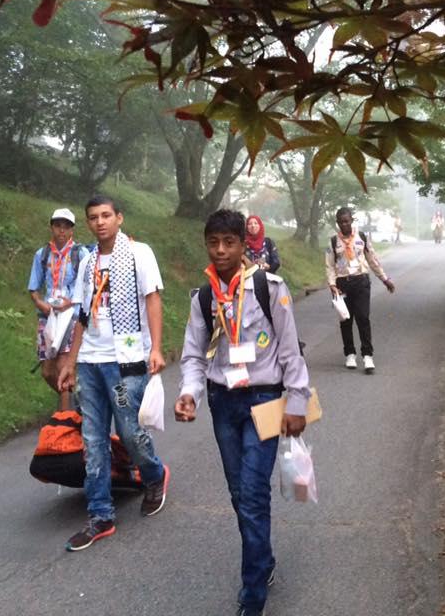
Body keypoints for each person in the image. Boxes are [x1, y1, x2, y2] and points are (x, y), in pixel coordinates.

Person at [175, 209, 310, 616]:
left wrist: (298, 401)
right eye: (213, 242)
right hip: (223, 404)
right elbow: (193, 355)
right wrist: (189, 393)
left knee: (252, 494)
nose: (220, 250)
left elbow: (290, 349)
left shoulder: (270, 288)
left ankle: (253, 595)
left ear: (242, 245)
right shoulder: (203, 298)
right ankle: (263, 560)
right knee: (239, 494)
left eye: (229, 242)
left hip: (265, 399)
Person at [57, 195, 170, 552]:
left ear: (119, 218)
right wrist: (70, 361)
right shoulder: (87, 261)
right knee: (93, 439)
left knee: (129, 429)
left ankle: (154, 474)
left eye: (106, 215)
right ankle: (100, 514)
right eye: (93, 217)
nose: (100, 222)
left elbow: (152, 299)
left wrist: (155, 348)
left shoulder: (139, 254)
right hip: (90, 362)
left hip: (125, 362)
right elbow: (82, 314)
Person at [27, 208, 90, 411]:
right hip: (48, 317)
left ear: (72, 230)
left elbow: (90, 288)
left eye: (66, 227)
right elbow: (33, 288)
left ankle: (65, 420)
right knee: (47, 371)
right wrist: (40, 303)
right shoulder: (42, 254)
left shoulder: (81, 254)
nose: (61, 230)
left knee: (63, 367)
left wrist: (70, 303)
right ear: (51, 227)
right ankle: (77, 404)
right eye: (58, 226)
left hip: (71, 317)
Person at [325, 206, 396, 373]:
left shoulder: (362, 237)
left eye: (347, 221)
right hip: (342, 284)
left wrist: (385, 279)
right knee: (345, 320)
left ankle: (367, 355)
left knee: (363, 318)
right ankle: (350, 353)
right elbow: (329, 266)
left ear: (352, 220)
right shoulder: (333, 242)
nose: (344, 225)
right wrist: (332, 285)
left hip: (361, 282)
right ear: (337, 223)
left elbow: (372, 260)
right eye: (341, 222)